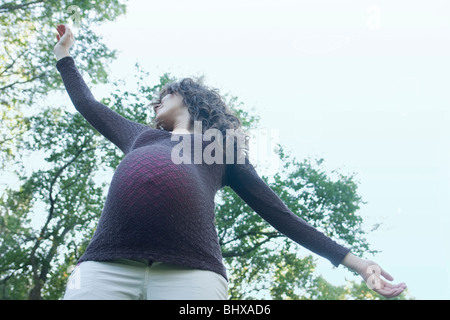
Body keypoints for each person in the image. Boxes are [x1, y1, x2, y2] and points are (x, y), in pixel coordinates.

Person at [54, 23, 406, 300]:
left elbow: (280, 214)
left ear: (191, 100)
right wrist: (64, 56)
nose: (156, 102)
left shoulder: (223, 152)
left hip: (192, 274)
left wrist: (358, 264)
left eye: (166, 95)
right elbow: (90, 105)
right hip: (106, 265)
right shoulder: (139, 136)